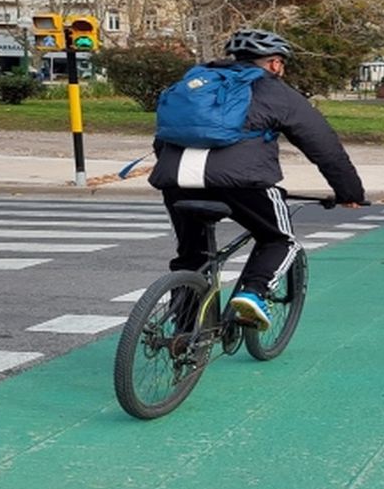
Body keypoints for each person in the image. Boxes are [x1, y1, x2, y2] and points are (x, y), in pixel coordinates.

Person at [148, 29, 367, 330]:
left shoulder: (196, 84)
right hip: (243, 183)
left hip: (176, 181)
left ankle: (184, 334)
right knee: (280, 240)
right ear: (275, 64)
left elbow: (165, 135)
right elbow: (323, 145)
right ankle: (253, 293)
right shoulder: (277, 91)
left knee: (191, 256)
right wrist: (348, 191)